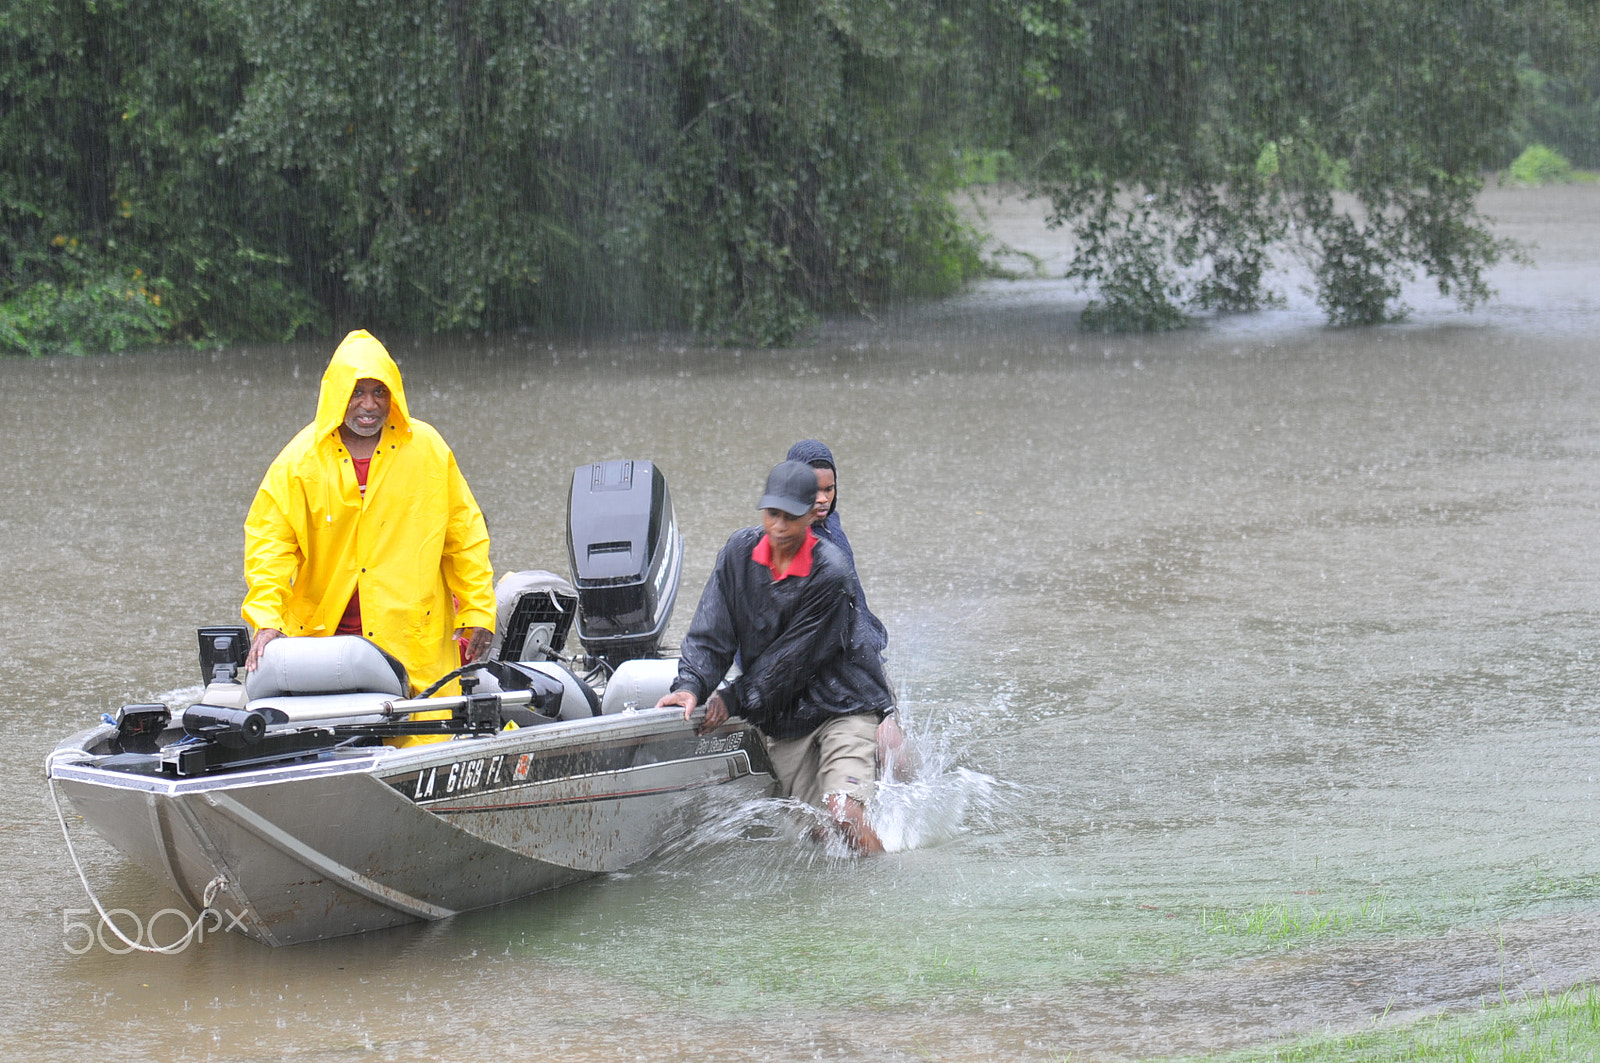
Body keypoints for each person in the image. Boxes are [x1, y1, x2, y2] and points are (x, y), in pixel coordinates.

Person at [241, 329, 496, 732]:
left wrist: (479, 609)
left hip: (413, 639)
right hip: (323, 644)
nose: (369, 405)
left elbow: (464, 537)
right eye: (358, 391)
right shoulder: (298, 462)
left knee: (424, 733)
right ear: (337, 394)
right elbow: (269, 545)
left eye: (379, 392)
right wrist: (267, 620)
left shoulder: (427, 449)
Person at [657, 461, 895, 853]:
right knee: (819, 833)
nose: (780, 525)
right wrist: (691, 684)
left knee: (843, 814)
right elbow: (713, 628)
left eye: (790, 516)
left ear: (808, 519)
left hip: (844, 703)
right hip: (785, 717)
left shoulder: (830, 573)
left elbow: (791, 659)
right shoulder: (738, 555)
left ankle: (890, 888)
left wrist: (732, 698)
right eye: (772, 514)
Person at [784, 439, 909, 779]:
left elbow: (854, 609)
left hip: (859, 662)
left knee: (896, 761)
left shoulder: (831, 530)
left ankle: (908, 814)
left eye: (829, 489)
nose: (822, 498)